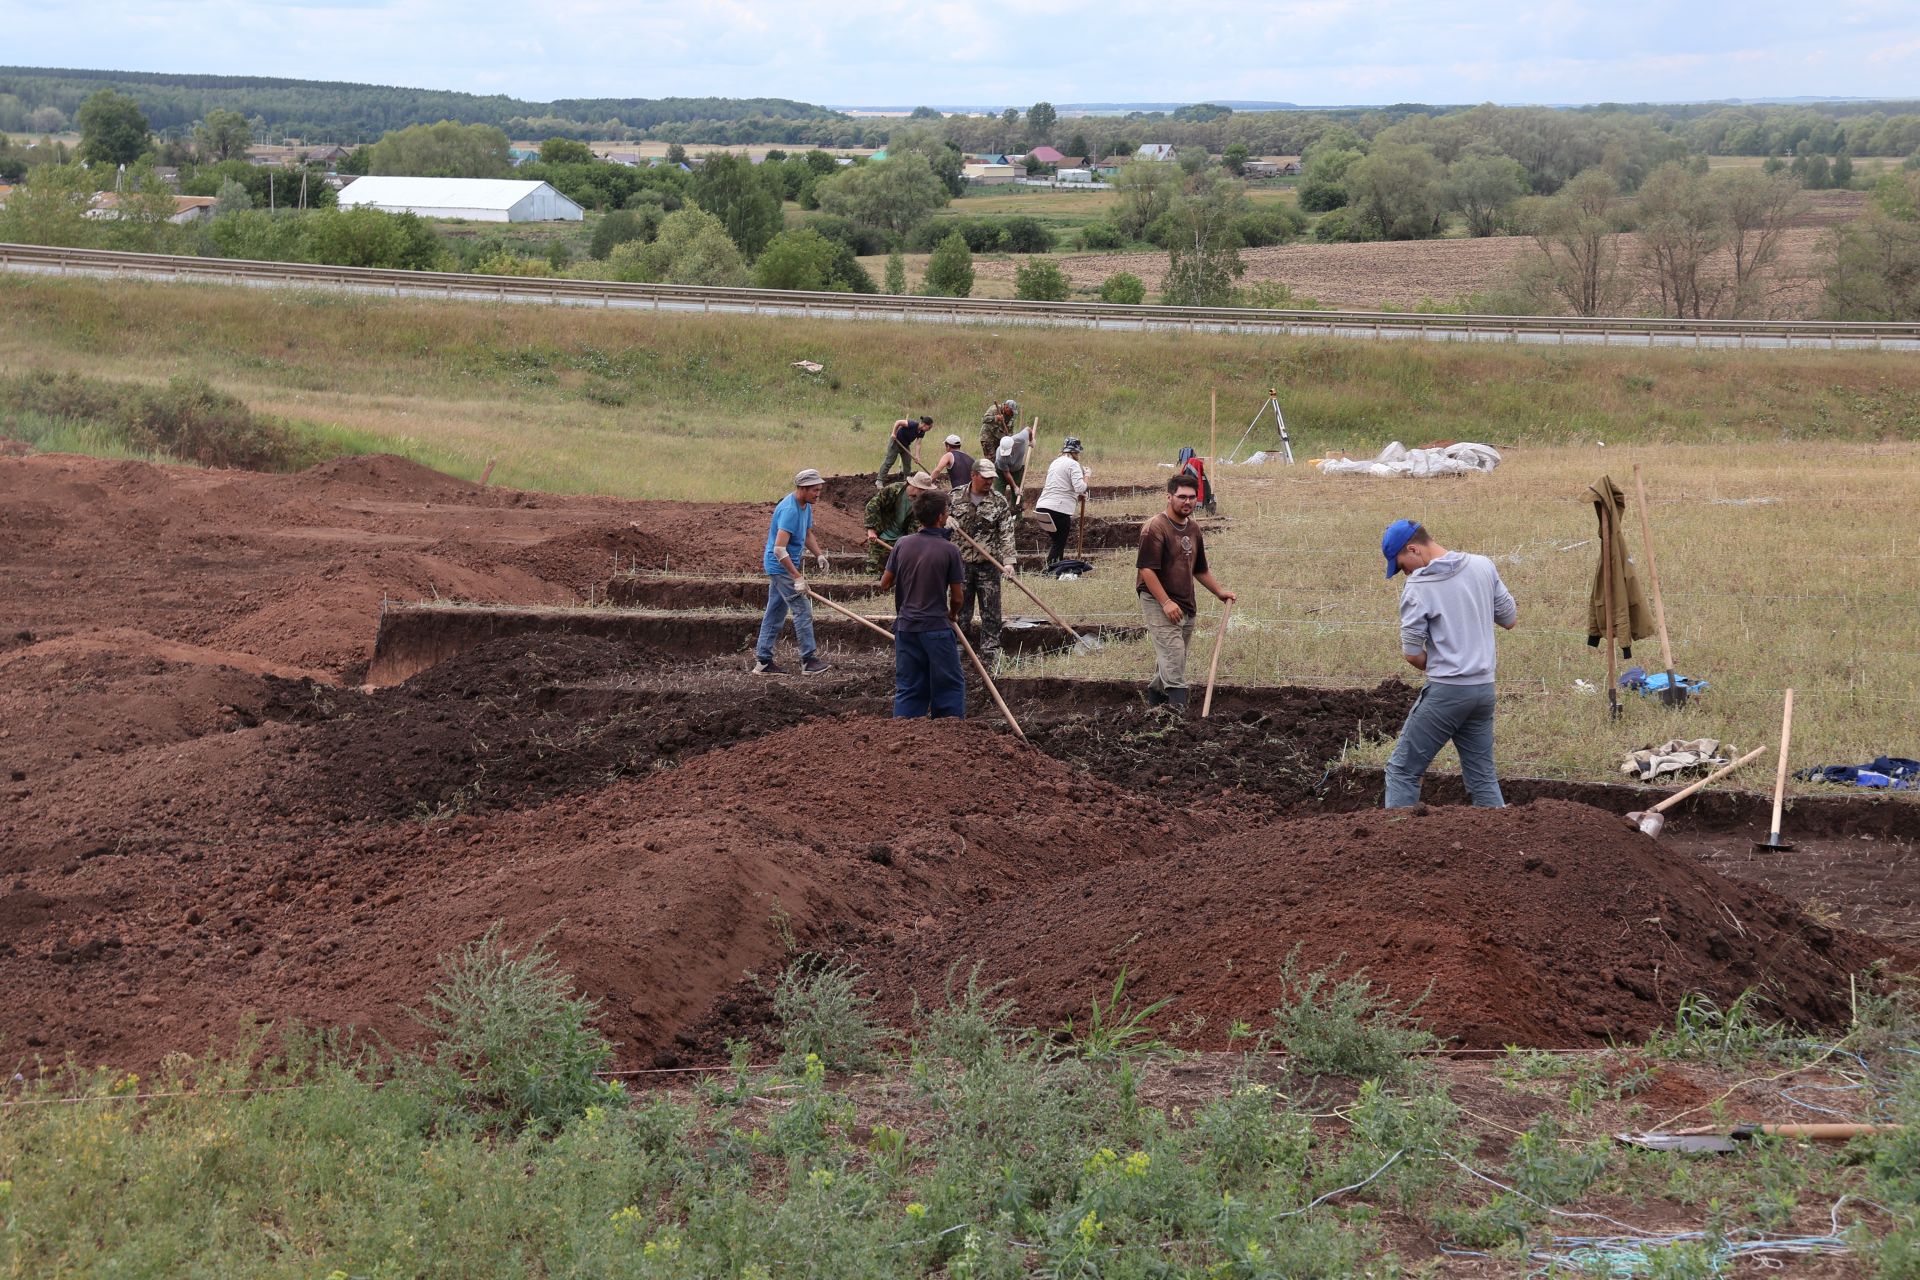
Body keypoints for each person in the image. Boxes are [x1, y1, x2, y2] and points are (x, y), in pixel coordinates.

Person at [1381, 520, 1518, 808]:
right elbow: (1509, 619)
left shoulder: (1418, 587)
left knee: (1402, 771)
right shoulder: (1483, 565)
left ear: (1414, 549)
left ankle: (1397, 846)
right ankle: (1501, 842)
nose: (1404, 572)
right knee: (1482, 778)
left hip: (1448, 692)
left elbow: (1412, 653)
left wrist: (1444, 666)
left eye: (1402, 565)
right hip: (1483, 691)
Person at [1135, 473, 1235, 712]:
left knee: (1172, 658)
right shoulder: (1155, 528)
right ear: (1169, 497)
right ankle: (1177, 714)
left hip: (1185, 601)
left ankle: (1155, 709)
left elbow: (1199, 569)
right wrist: (1166, 602)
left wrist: (1219, 592)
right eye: (1181, 497)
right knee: (1174, 656)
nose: (1187, 502)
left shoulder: (1193, 528)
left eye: (1192, 497)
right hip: (1158, 599)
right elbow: (1146, 570)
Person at [879, 490, 967, 719]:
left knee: (909, 687)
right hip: (936, 627)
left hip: (906, 627)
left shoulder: (902, 544)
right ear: (940, 517)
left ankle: (904, 735)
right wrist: (953, 614)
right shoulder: (950, 550)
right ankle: (949, 738)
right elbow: (957, 598)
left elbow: (885, 583)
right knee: (948, 685)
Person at [753, 468, 832, 676]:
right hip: (780, 566)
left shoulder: (805, 506)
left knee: (775, 611)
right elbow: (779, 549)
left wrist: (819, 555)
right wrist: (797, 576)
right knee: (802, 609)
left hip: (785, 564)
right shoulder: (789, 510)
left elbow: (806, 533)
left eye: (819, 490)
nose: (818, 494)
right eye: (815, 490)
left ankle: (763, 661)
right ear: (802, 488)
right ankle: (808, 660)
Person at [947, 461, 1017, 660]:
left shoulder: (999, 501)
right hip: (960, 564)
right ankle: (959, 644)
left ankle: (990, 648)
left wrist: (1009, 561)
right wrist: (945, 520)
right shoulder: (954, 496)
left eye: (991, 478)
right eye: (985, 477)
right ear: (973, 475)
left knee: (991, 609)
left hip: (988, 564)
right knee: (960, 606)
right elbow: (936, 515)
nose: (989, 481)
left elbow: (1006, 533)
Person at [864, 470, 935, 573]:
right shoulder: (893, 490)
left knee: (901, 572)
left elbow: (917, 524)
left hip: (902, 541)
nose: (925, 493)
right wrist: (871, 529)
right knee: (873, 570)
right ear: (916, 487)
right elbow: (872, 506)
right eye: (923, 490)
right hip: (881, 536)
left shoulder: (920, 502)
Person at [1035, 437, 1090, 567]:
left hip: (1042, 507)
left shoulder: (1055, 462)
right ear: (1075, 452)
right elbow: (1080, 487)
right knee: (1059, 542)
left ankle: (1057, 568)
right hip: (1058, 509)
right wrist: (1087, 475)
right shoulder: (1073, 464)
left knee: (1057, 542)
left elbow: (1060, 486)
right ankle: (1050, 571)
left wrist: (1077, 496)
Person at [879, 414, 933, 487]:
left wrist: (917, 456)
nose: (929, 429)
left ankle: (907, 481)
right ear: (924, 424)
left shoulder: (922, 432)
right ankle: (879, 480)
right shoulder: (913, 424)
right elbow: (898, 422)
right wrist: (894, 433)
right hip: (896, 442)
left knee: (907, 462)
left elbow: (918, 444)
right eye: (929, 427)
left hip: (905, 445)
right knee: (889, 461)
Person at [992, 420, 1035, 512]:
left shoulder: (1020, 439)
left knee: (1018, 495)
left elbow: (1028, 429)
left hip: (1017, 471)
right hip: (1001, 472)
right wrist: (1015, 487)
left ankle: (1017, 516)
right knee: (998, 495)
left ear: (1013, 446)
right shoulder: (1000, 457)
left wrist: (1031, 440)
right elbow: (1006, 473)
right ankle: (998, 514)